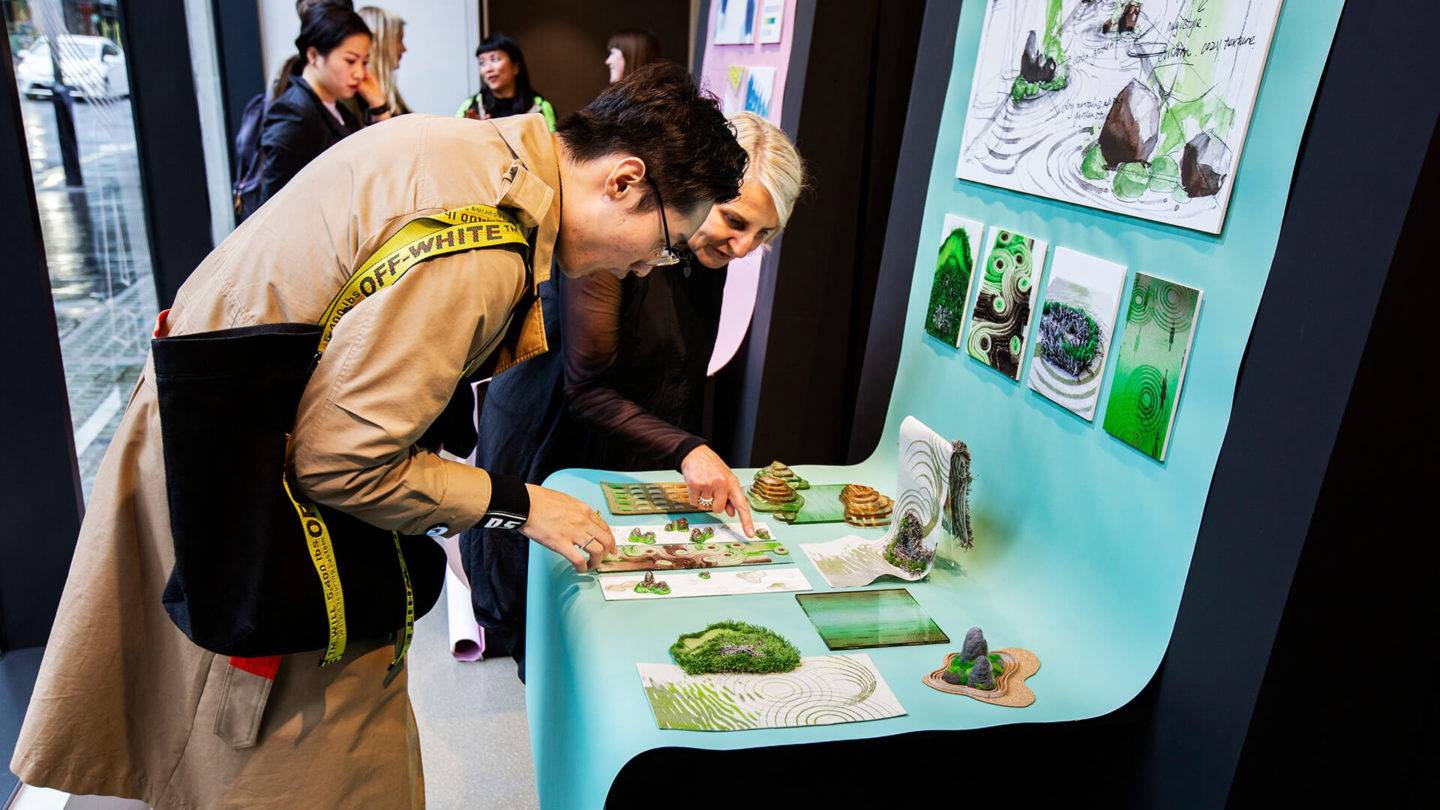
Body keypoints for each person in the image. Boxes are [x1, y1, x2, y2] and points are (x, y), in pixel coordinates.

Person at [10, 62, 746, 808]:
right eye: (664, 246)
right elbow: (342, 463)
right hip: (251, 499)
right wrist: (524, 507)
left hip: (216, 444)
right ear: (623, 181)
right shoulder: (484, 245)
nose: (646, 266)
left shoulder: (464, 148)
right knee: (312, 769)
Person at [464, 111, 805, 675]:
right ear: (701, 192)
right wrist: (685, 449)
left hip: (622, 440)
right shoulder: (619, 236)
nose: (745, 247)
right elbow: (586, 389)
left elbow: (679, 372)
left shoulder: (708, 251)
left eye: (765, 234)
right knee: (552, 634)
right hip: (552, 431)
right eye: (736, 220)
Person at [261, 4, 392, 202]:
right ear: (313, 56)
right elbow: (271, 205)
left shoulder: (335, 108)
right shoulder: (294, 112)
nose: (359, 73)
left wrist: (378, 106)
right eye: (350, 61)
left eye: (364, 62)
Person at [456, 33, 556, 131]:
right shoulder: (471, 106)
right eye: (482, 63)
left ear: (515, 67)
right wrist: (470, 131)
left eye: (494, 59)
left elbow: (553, 145)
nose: (488, 69)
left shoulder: (540, 107)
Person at [355, 5, 409, 116]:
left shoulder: (389, 91)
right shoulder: (357, 95)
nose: (404, 49)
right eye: (399, 39)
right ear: (380, 42)